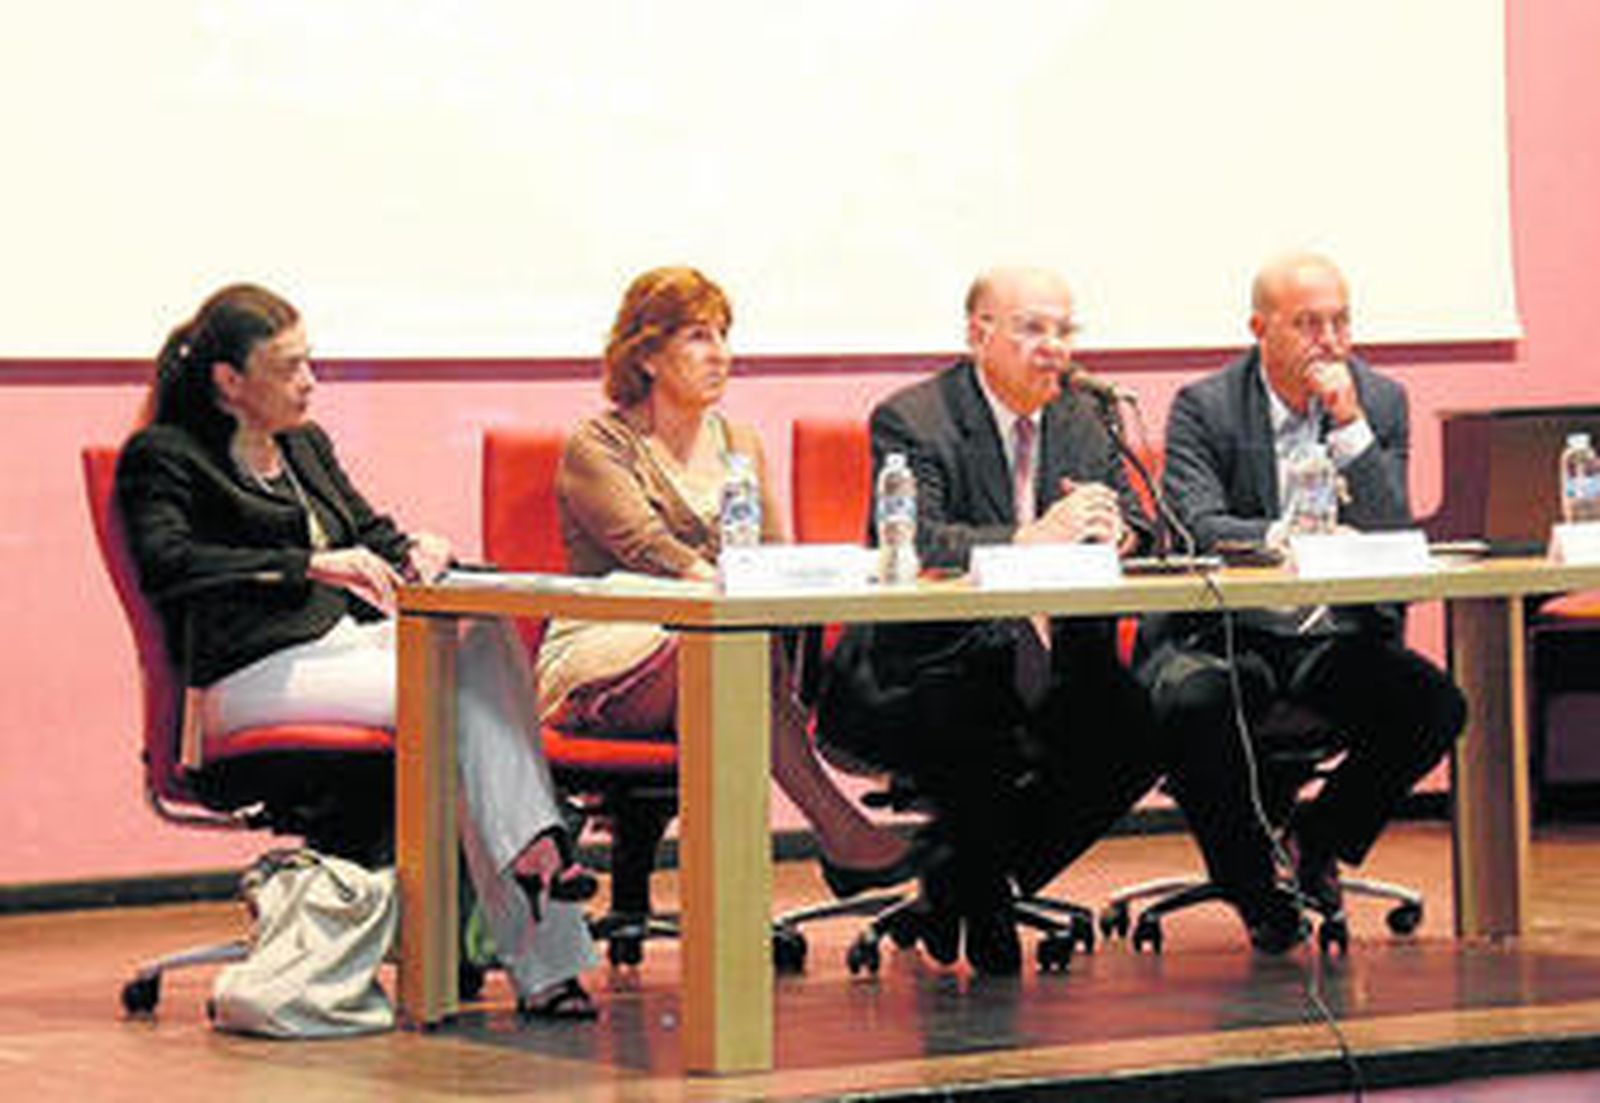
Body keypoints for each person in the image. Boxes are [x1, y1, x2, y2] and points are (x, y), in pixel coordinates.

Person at [115, 284, 601, 1019]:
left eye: (311, 362)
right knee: (454, 696)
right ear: (229, 381)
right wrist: (305, 564)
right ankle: (542, 896)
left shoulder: (305, 445)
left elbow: (370, 535)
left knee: (481, 630)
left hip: (339, 654)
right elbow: (170, 564)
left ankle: (535, 857)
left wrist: (417, 549)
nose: (310, 381)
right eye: (290, 367)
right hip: (246, 674)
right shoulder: (165, 456)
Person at [817, 266, 1168, 974]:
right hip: (923, 665)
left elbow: (1144, 524)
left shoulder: (1083, 415)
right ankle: (982, 909)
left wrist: (1118, 532)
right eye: (1034, 328)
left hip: (1056, 662)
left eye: (1065, 330)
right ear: (980, 334)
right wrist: (1032, 536)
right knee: (975, 712)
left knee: (1142, 728)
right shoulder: (912, 418)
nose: (1055, 348)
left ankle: (964, 882)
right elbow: (909, 540)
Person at [535, 265, 923, 897]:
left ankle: (755, 891)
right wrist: (731, 582)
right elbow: (652, 549)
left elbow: (769, 552)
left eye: (723, 334)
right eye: (697, 336)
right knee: (728, 658)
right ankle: (834, 836)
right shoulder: (598, 442)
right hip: (607, 647)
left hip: (711, 640)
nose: (720, 354)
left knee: (732, 657)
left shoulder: (737, 440)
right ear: (649, 354)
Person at [1142, 252, 1466, 952]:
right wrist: (1282, 537)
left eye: (1340, 321)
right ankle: (1252, 887)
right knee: (1195, 702)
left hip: (1333, 635)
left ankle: (1318, 838)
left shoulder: (1379, 398)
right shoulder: (1206, 404)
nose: (1329, 339)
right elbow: (1194, 520)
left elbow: (1390, 531)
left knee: (1436, 704)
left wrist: (1350, 427)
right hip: (1233, 631)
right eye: (1307, 323)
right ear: (1260, 328)